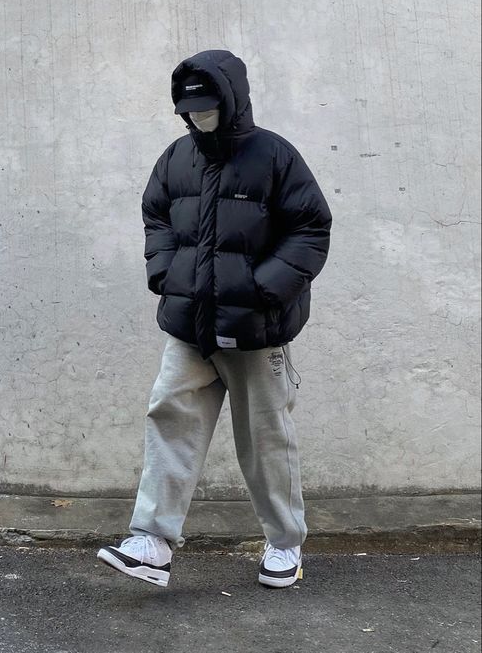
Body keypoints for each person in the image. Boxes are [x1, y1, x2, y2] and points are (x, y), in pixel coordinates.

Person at [97, 49, 332, 589]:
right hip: (189, 327)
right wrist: (165, 271)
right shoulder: (176, 158)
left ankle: (285, 544)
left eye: (208, 106)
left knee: (266, 437)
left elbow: (311, 228)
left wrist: (261, 290)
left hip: (256, 332)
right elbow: (156, 214)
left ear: (233, 100)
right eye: (190, 109)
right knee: (169, 418)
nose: (199, 116)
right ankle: (152, 543)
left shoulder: (274, 155)